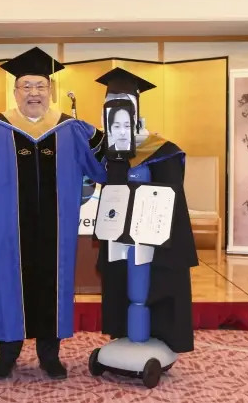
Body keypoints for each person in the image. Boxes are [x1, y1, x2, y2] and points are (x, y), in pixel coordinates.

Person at [0, 47, 107, 380]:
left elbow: (109, 155)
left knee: (53, 284)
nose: (34, 93)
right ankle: (7, 354)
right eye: (26, 86)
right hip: (7, 232)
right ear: (15, 91)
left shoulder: (71, 130)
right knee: (7, 285)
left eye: (40, 86)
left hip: (55, 232)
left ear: (51, 90)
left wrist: (137, 137)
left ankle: (50, 355)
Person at [95, 67, 198, 355]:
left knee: (155, 279)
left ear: (137, 108)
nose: (118, 107)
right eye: (111, 102)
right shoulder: (107, 150)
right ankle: (124, 331)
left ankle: (160, 334)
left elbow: (172, 199)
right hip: (120, 235)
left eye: (125, 102)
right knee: (120, 278)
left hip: (153, 235)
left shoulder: (163, 150)